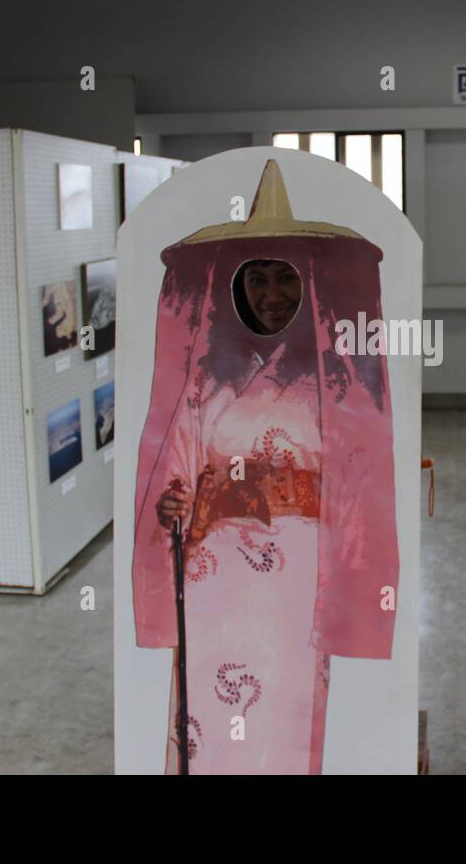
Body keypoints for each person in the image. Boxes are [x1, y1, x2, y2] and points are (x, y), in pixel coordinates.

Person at [132, 160, 399, 775]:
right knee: (208, 719)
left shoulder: (335, 378)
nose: (272, 294)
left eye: (285, 279)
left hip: (300, 576)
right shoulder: (205, 376)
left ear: (307, 285)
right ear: (236, 287)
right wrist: (173, 504)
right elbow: (176, 470)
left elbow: (358, 480)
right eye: (258, 280)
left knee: (288, 713)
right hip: (213, 579)